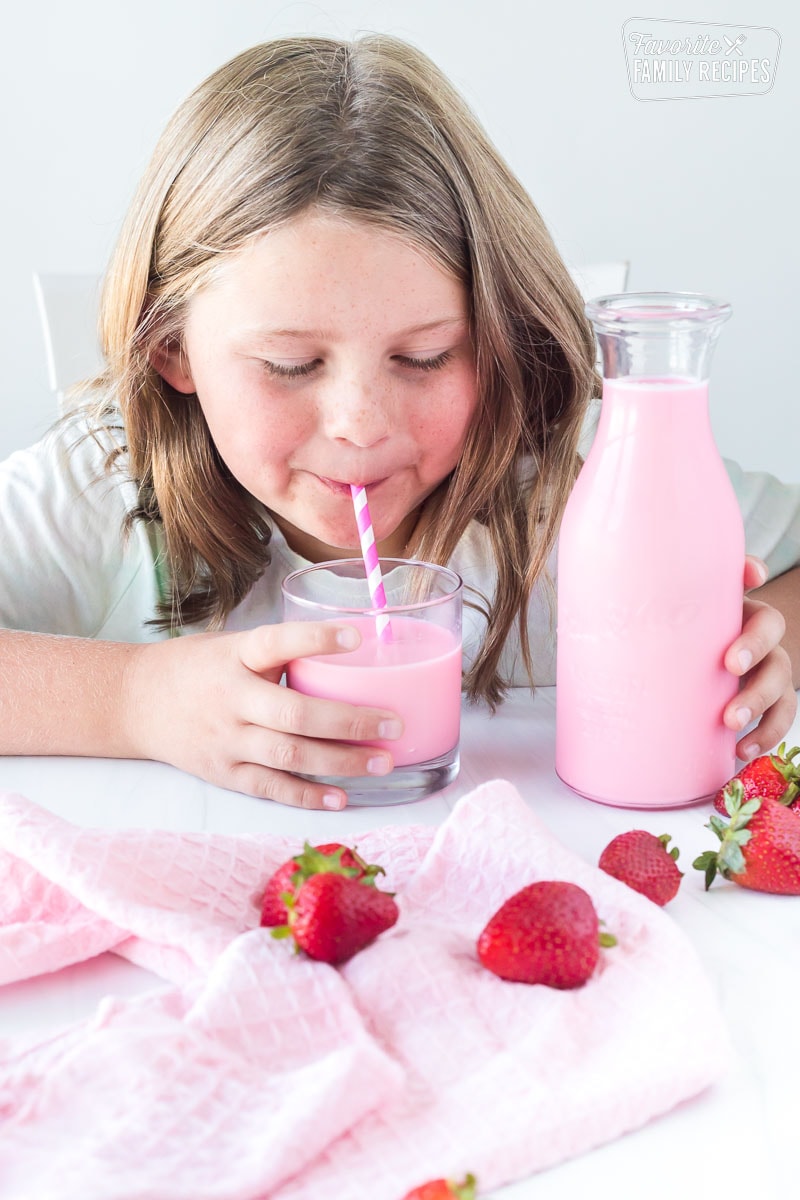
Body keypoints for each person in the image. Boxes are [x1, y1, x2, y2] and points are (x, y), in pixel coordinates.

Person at [1, 35, 798, 810]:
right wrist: (136, 701)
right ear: (171, 345)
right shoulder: (106, 487)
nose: (358, 425)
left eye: (424, 357)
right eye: (290, 365)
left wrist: (773, 648)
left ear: (497, 340)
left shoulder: (587, 479)